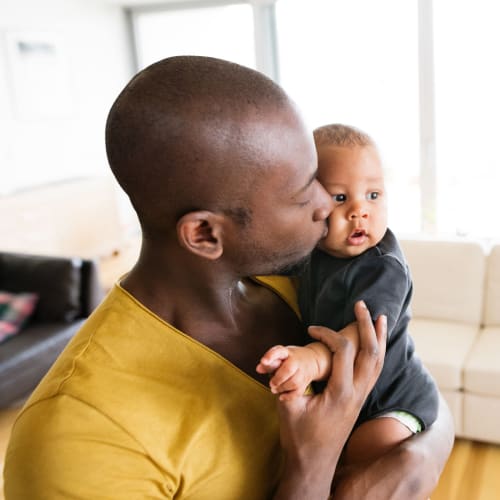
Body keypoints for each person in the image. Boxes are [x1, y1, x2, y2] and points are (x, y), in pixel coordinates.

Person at [4, 56, 453, 499]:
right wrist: (311, 467)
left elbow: (412, 383)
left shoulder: (296, 277)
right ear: (204, 233)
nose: (327, 206)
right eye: (303, 194)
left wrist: (419, 459)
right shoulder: (77, 440)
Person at [257, 123, 439, 467]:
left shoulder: (382, 267)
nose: (360, 211)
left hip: (392, 399)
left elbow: (364, 337)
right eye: (340, 198)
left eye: (373, 195)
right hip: (345, 395)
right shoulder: (316, 249)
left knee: (367, 449)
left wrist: (312, 359)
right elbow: (275, 263)